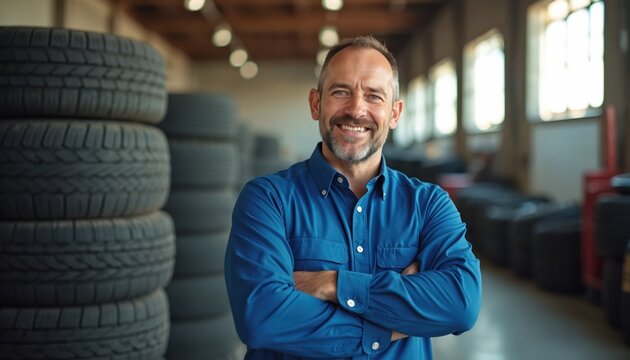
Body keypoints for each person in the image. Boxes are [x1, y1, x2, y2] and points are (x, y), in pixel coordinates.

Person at [224, 35, 482, 359]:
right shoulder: (268, 200)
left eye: (374, 96)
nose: (356, 109)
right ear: (316, 104)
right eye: (341, 91)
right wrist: (393, 324)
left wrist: (336, 285)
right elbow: (261, 317)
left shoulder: (428, 205)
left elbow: (461, 303)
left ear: (395, 113)